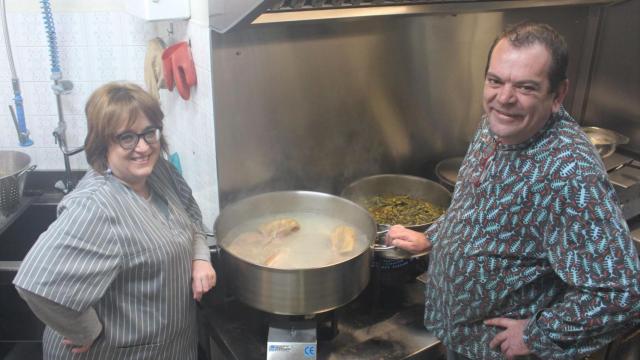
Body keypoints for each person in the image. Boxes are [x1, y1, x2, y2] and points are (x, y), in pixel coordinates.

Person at [386, 22, 640, 360]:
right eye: (495, 81)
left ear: (558, 94)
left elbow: (621, 292)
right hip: (460, 334)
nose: (504, 98)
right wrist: (435, 237)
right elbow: (473, 203)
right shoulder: (498, 124)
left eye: (526, 87)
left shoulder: (568, 173)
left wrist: (538, 334)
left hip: (498, 351)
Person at [13, 82, 217, 359]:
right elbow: (35, 282)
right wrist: (85, 330)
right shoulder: (96, 207)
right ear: (103, 143)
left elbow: (191, 213)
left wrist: (200, 256)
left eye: (149, 133)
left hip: (171, 344)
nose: (143, 147)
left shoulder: (159, 172)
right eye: (127, 137)